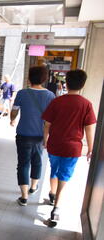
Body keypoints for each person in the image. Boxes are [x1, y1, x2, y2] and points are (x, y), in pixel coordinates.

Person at [42, 69, 97, 227]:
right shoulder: (86, 104)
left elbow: (47, 124)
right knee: (64, 176)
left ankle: (52, 194)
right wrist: (91, 148)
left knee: (54, 169)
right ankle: (56, 208)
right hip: (72, 148)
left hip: (55, 144)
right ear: (83, 85)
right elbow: (89, 128)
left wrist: (45, 140)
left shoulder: (57, 102)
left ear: (66, 83)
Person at [10, 66, 56, 206]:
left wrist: (12, 119)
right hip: (40, 135)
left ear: (29, 77)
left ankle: (24, 197)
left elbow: (14, 111)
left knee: (23, 163)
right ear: (44, 79)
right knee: (37, 161)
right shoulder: (50, 96)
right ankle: (33, 187)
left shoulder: (22, 93)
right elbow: (52, 119)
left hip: (23, 133)